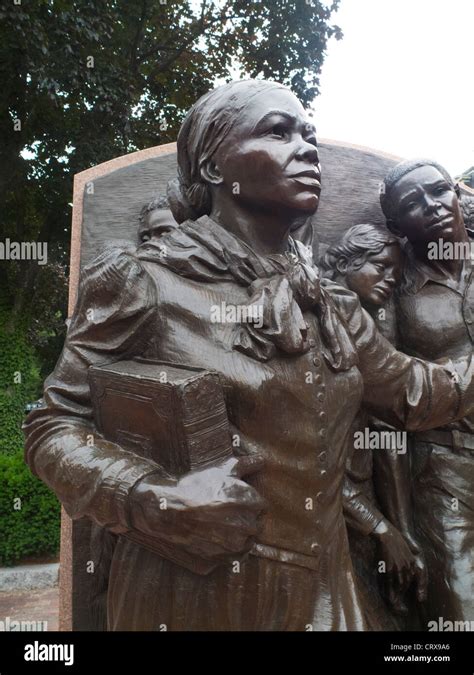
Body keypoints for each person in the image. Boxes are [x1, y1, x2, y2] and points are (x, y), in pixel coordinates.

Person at [24, 81, 474, 631]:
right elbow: (53, 427)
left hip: (327, 590)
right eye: (278, 132)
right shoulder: (143, 281)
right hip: (197, 597)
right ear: (215, 169)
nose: (306, 147)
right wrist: (149, 495)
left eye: (308, 135)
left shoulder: (329, 302)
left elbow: (417, 394)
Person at [381, 159, 474, 626]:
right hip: (444, 471)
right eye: (413, 204)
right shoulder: (392, 287)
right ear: (397, 224)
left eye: (438, 192)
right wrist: (397, 523)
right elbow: (386, 406)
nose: (432, 207)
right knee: (459, 612)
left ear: (457, 194)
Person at [320, 224, 425, 627]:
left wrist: (399, 527)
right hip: (323, 515)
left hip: (356, 500)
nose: (389, 282)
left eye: (396, 278)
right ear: (347, 262)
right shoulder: (318, 322)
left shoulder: (368, 326)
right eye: (380, 267)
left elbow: (387, 432)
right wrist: (383, 528)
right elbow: (310, 455)